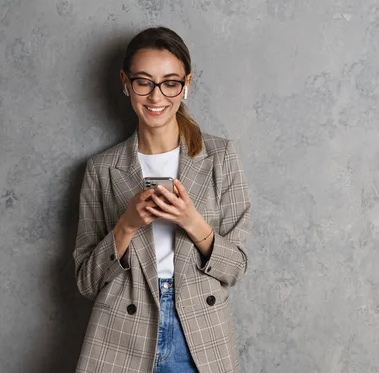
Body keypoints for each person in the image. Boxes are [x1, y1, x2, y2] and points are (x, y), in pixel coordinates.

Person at [73, 26, 252, 373]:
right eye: (144, 81)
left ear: (186, 84)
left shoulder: (221, 157)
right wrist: (126, 225)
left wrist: (192, 222)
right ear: (126, 83)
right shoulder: (102, 169)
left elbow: (236, 267)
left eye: (170, 82)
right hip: (120, 333)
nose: (156, 97)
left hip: (198, 329)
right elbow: (86, 281)